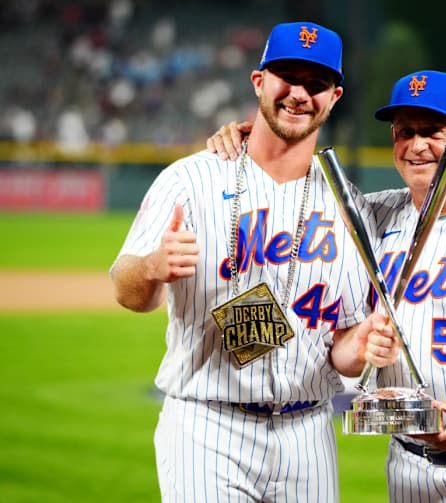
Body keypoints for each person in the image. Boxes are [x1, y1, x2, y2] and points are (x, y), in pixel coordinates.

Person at [208, 69, 446, 502]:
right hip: (407, 466)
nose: (417, 146)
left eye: (434, 131)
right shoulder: (373, 217)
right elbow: (294, 190)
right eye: (405, 132)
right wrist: (257, 137)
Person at [110, 21, 396, 502]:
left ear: (334, 96)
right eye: (287, 75)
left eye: (316, 83)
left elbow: (341, 345)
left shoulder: (349, 205)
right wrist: (154, 268)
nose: (299, 93)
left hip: (308, 433)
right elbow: (125, 288)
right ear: (259, 81)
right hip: (207, 425)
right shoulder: (190, 179)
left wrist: (361, 347)